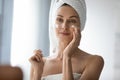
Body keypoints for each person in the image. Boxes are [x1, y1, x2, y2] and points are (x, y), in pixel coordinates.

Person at [29, 0, 104, 80]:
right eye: (60, 20)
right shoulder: (38, 63)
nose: (64, 26)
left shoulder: (94, 61)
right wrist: (38, 72)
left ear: (81, 25)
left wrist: (66, 56)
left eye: (72, 21)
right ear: (53, 23)